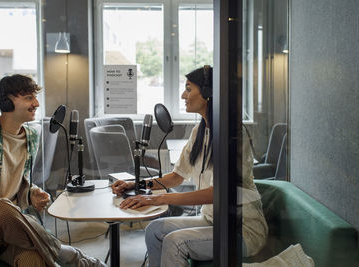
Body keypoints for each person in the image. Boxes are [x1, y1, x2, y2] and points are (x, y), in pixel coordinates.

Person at [111, 66, 268, 266]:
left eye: (188, 88)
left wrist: (157, 199)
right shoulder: (199, 132)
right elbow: (176, 177)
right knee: (154, 230)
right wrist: (137, 184)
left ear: (209, 94)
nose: (183, 95)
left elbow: (215, 193)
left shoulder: (233, 135)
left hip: (242, 230)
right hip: (212, 220)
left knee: (175, 242)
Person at [0, 74, 106, 267]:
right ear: (6, 102)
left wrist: (31, 193)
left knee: (34, 260)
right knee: (0, 207)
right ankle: (74, 258)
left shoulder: (31, 136)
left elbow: (19, 184)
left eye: (35, 97)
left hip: (10, 232)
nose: (36, 103)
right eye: (28, 97)